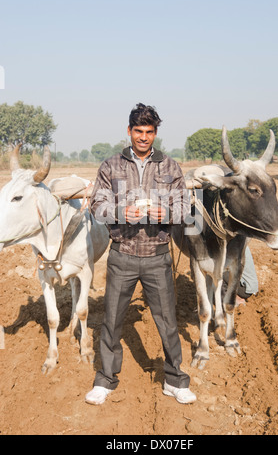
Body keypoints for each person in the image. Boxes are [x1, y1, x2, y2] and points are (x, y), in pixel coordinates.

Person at [85, 103, 196, 406]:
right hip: (122, 254)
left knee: (168, 321)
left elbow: (188, 211)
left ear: (155, 133)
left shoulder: (170, 167)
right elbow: (97, 205)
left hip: (158, 256)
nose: (143, 137)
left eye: (149, 132)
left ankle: (174, 380)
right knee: (111, 320)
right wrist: (122, 211)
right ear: (129, 131)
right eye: (138, 131)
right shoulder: (111, 165)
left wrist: (168, 212)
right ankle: (106, 380)